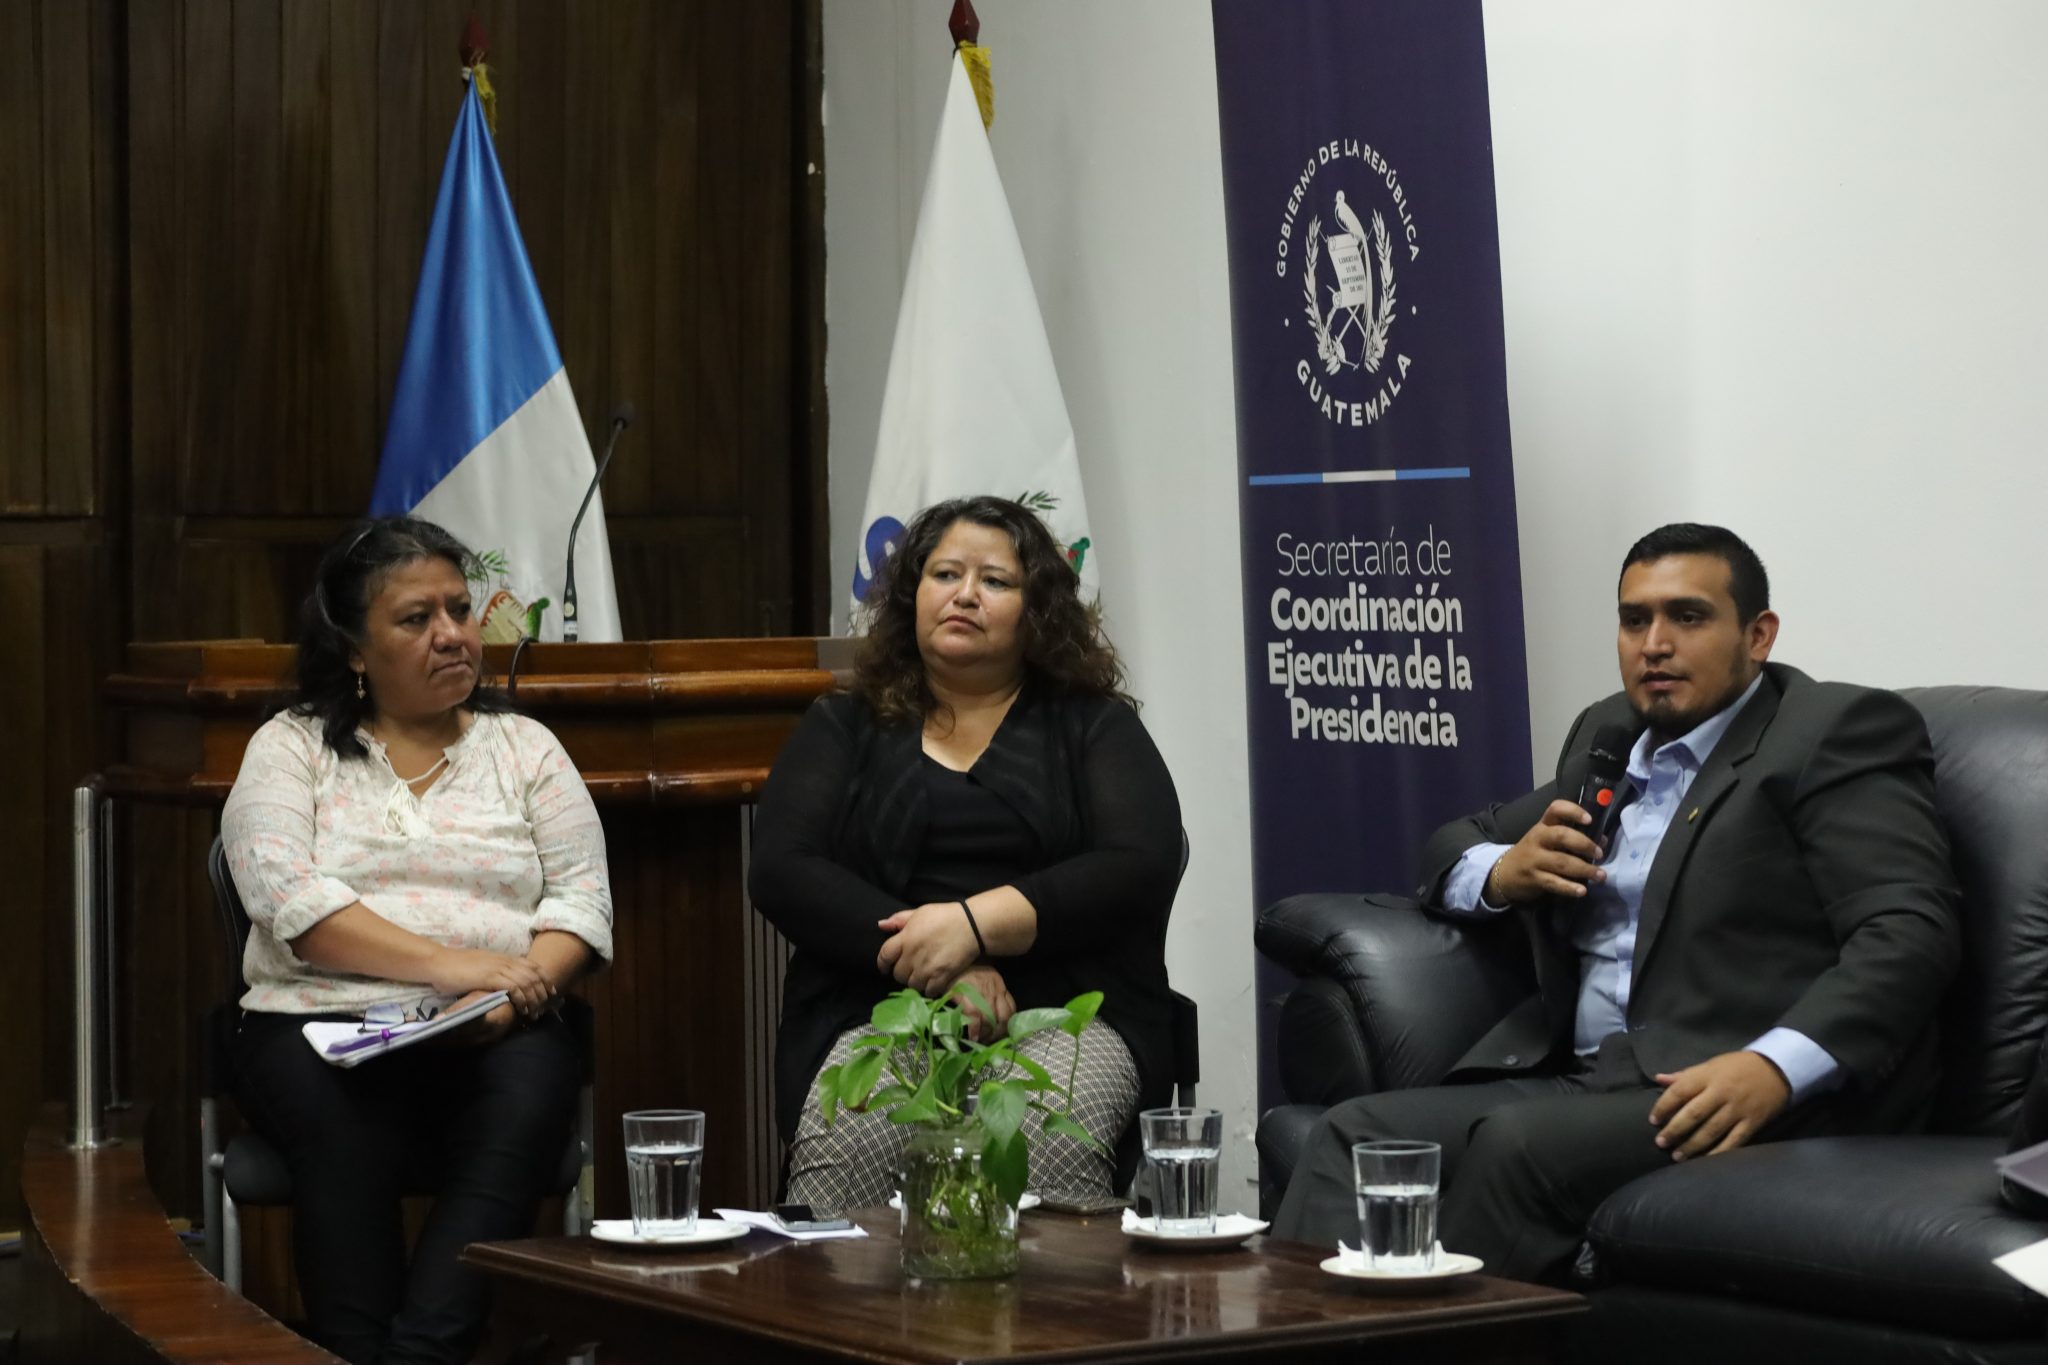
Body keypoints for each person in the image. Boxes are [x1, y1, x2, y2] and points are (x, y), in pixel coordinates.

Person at [1271, 523, 1961, 1283]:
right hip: (1583, 1077)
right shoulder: (1613, 733)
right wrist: (1504, 873)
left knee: (1515, 1146)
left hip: (1733, 1084)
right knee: (1353, 1133)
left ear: (1757, 635)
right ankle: (1301, 1334)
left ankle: (1428, 1335)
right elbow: (1452, 844)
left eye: (1688, 617)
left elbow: (1908, 932)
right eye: (1635, 620)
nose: (1654, 644)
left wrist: (1773, 1065)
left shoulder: (1831, 733)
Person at [221, 517, 613, 1365]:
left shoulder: (525, 748)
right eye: (415, 618)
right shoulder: (290, 748)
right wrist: (457, 966)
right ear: (354, 650)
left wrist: (515, 992)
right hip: (316, 1020)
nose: (451, 634)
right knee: (341, 1125)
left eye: (460, 610)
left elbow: (583, 902)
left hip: (498, 1019)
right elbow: (289, 900)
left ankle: (419, 1355)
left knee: (529, 1094)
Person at [750, 495, 1182, 1210]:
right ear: (912, 595)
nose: (965, 594)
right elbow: (781, 868)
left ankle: (1057, 1294)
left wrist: (975, 924)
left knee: (1040, 1134)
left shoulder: (1092, 726)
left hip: (1068, 1010)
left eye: (996, 581)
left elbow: (1140, 861)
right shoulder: (845, 723)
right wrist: (941, 960)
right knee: (856, 1138)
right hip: (879, 1004)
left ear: (1037, 610)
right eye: (946, 574)